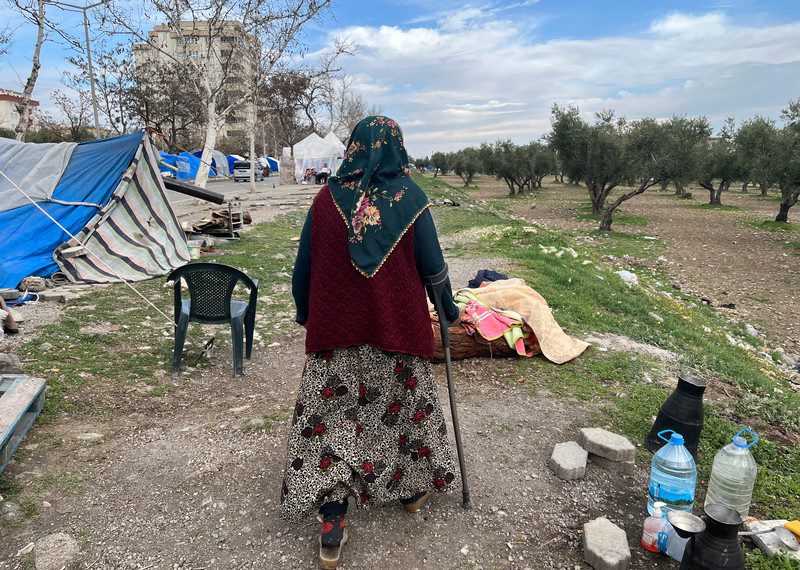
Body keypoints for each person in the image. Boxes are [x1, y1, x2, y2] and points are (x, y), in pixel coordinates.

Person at [281, 116, 461, 569]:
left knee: (333, 419)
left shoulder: (326, 201)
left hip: (336, 336)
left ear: (354, 149)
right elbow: (434, 268)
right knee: (401, 408)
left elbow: (303, 268)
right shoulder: (412, 199)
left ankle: (333, 517)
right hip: (395, 333)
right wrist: (448, 310)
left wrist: (308, 314)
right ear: (397, 149)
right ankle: (412, 489)